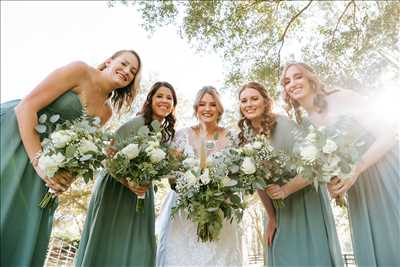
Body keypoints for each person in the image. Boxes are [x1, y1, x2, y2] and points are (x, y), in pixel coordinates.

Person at [0, 49, 141, 267]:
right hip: (18, 138)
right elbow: (25, 107)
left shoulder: (106, 112)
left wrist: (66, 179)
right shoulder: (80, 70)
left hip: (48, 164)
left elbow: (82, 150)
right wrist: (39, 162)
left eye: (132, 72)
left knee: (22, 221)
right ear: (109, 61)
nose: (126, 72)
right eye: (123, 64)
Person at [281, 62, 399, 266]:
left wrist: (357, 168)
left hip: (384, 172)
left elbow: (388, 134)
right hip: (359, 189)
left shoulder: (342, 97)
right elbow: (326, 163)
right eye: (286, 81)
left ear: (310, 78)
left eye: (297, 76)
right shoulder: (305, 125)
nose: (292, 83)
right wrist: (333, 182)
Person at [238, 82, 344, 266]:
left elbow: (316, 162)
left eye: (254, 98)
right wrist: (271, 218)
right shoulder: (245, 137)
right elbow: (258, 181)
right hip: (278, 208)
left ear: (265, 101)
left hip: (304, 199)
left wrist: (286, 189)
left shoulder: (283, 124)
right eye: (244, 100)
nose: (249, 104)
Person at [75, 81, 177, 267]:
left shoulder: (162, 134)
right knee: (110, 241)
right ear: (150, 100)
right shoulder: (137, 123)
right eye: (159, 96)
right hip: (116, 187)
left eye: (169, 98)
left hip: (141, 191)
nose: (164, 100)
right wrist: (128, 181)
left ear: (173, 105)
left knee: (139, 245)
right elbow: (109, 154)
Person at [156, 86, 243, 266]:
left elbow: (238, 176)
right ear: (196, 108)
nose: (207, 108)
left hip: (220, 209)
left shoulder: (231, 137)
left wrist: (218, 191)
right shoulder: (181, 136)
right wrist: (187, 186)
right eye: (202, 104)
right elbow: (171, 176)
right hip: (184, 212)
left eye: (213, 104)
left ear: (219, 109)